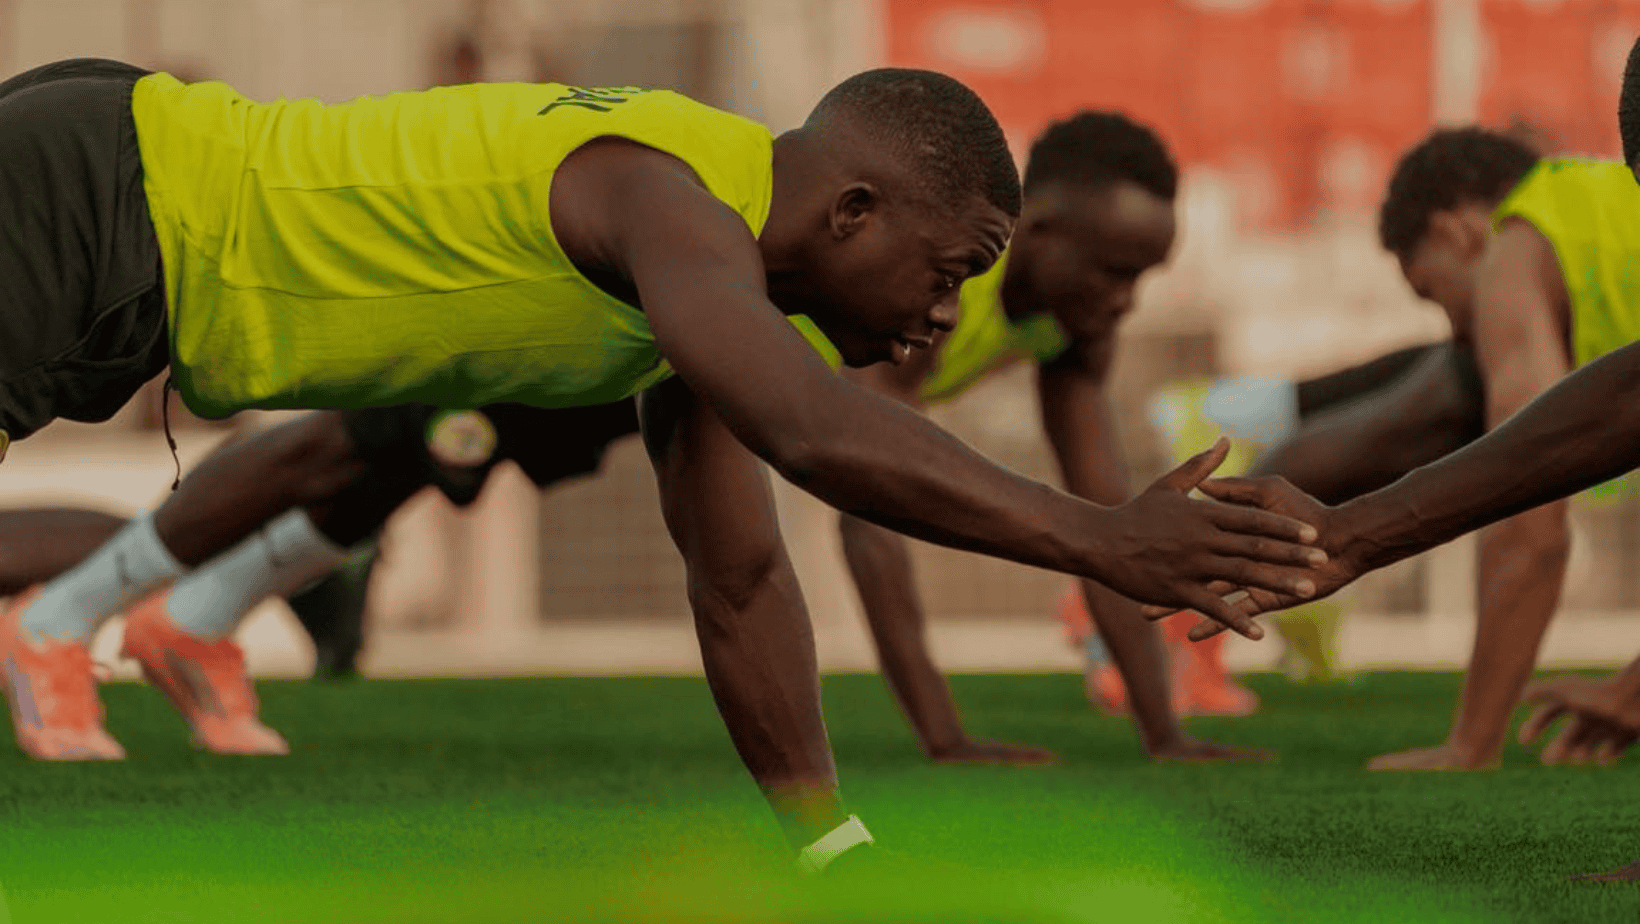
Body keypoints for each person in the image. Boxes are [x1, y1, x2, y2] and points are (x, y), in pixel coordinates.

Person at [0, 59, 1323, 867]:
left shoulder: (710, 294)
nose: (941, 316)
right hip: (103, 195)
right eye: (948, 269)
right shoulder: (672, 198)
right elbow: (816, 433)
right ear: (854, 212)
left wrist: (826, 842)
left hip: (129, 237)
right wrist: (1097, 538)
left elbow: (740, 582)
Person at [1178, 123, 1640, 772]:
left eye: (1431, 291)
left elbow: (1529, 532)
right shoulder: (1589, 208)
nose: (1451, 323)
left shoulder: (1518, 245)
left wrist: (1471, 745)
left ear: (1457, 234)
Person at [838, 112, 1263, 763]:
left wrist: (1165, 736)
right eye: (1113, 271)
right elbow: (869, 503)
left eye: (1142, 277)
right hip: (680, 368)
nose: (1126, 301)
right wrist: (945, 738)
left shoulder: (1076, 325)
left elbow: (1110, 526)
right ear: (1039, 231)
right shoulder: (942, 272)